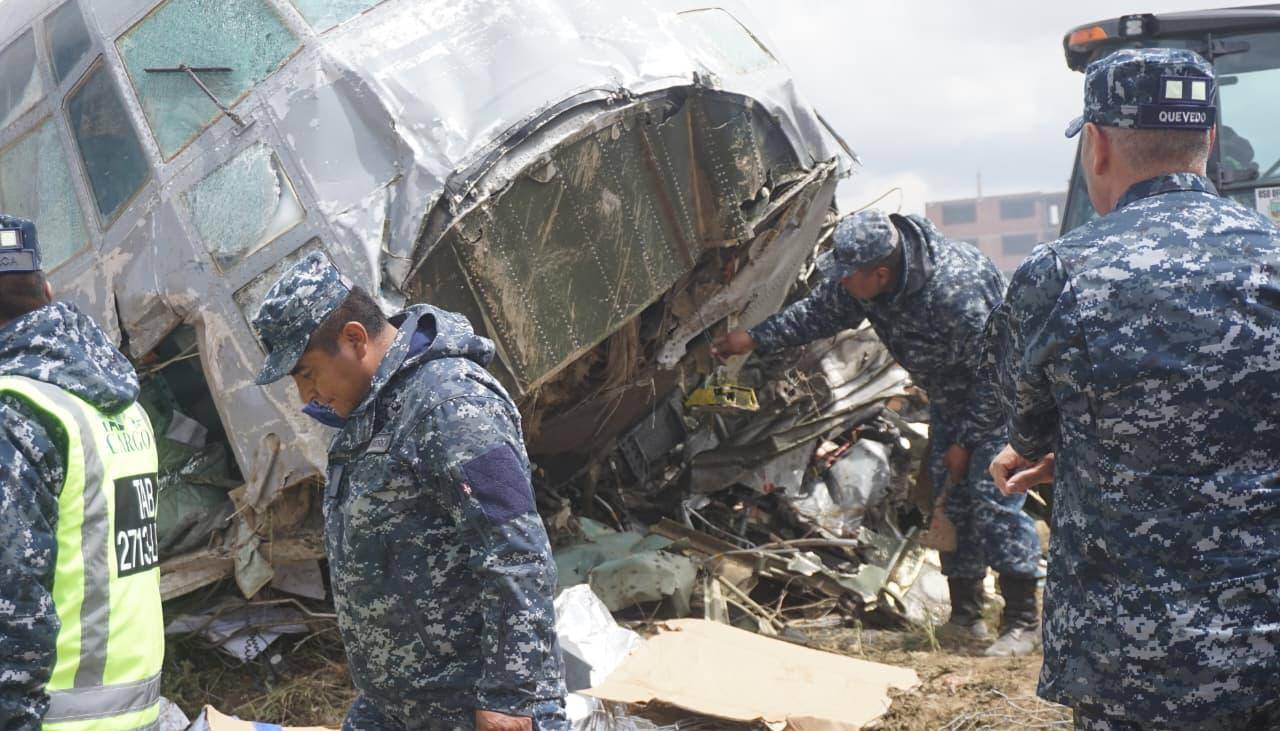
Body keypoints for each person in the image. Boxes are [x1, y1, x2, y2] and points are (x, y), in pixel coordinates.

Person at [987, 48, 1280, 730]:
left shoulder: (1056, 274)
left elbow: (1030, 423)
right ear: (1208, 139)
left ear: (1095, 145)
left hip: (1129, 662)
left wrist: (1045, 447)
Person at [250, 251, 567, 731]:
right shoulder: (372, 411)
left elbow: (516, 551)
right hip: (401, 707)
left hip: (474, 708)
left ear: (354, 339)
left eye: (307, 374)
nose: (304, 398)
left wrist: (509, 698)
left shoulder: (450, 405)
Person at [714, 209, 1043, 655]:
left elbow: (999, 370)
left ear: (881, 272)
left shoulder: (955, 290)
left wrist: (966, 443)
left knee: (994, 497)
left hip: (1001, 399)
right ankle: (967, 616)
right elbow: (819, 314)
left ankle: (1023, 622)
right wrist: (752, 338)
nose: (843, 283)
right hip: (949, 397)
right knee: (949, 497)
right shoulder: (867, 282)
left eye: (849, 276)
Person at [0, 215, 165, 730]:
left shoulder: (16, 413)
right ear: (48, 292)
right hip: (135, 711)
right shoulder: (119, 405)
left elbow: (11, 598)